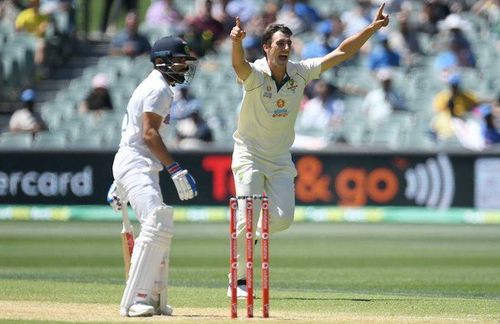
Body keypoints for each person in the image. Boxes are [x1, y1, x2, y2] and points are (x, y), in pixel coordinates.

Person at [228, 2, 389, 297]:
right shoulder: (256, 75)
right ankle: (237, 279)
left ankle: (246, 235)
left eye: (289, 42)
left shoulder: (301, 72)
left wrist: (371, 28)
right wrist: (236, 43)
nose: (286, 47)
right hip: (249, 153)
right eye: (280, 43)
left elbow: (341, 53)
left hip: (278, 157)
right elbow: (238, 66)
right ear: (266, 47)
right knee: (246, 217)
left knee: (283, 219)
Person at [109, 36, 198, 317]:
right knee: (156, 225)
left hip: (137, 163)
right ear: (163, 61)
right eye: (180, 60)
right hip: (136, 162)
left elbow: (137, 134)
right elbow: (148, 134)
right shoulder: (157, 88)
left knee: (158, 227)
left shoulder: (159, 87)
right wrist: (175, 168)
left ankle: (155, 299)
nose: (184, 65)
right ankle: (135, 300)